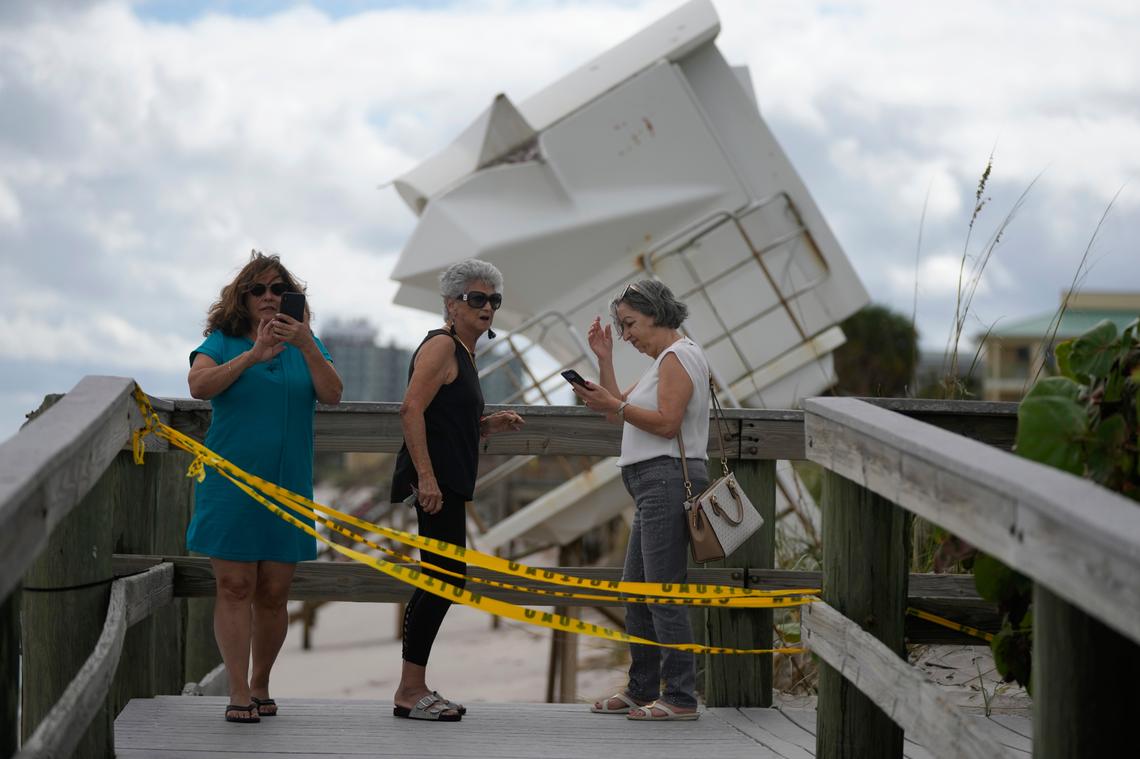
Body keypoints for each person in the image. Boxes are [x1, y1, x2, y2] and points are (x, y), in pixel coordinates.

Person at [186, 251, 342, 724]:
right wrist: (252, 356)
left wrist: (307, 343)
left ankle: (260, 684)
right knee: (235, 586)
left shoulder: (306, 343)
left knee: (274, 591)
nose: (269, 297)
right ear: (243, 297)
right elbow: (198, 385)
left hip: (289, 487)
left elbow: (333, 393)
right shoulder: (224, 340)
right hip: (230, 484)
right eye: (259, 289)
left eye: (279, 289)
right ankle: (236, 691)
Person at [389, 258, 524, 722]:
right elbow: (411, 410)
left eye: (493, 300)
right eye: (477, 298)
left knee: (443, 579)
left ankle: (413, 686)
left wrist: (486, 425)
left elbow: (444, 416)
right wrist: (426, 478)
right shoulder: (443, 346)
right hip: (437, 484)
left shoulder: (464, 353)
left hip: (448, 481)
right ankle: (409, 690)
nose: (488, 307)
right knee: (441, 580)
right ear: (452, 304)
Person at [572, 280, 710, 721]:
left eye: (630, 324)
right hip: (650, 481)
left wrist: (617, 404)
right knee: (636, 591)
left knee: (661, 592)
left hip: (665, 478)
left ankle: (681, 698)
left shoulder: (678, 357)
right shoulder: (661, 363)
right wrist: (604, 359)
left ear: (655, 313)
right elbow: (617, 411)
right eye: (622, 327)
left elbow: (667, 423)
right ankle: (642, 687)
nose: (627, 335)